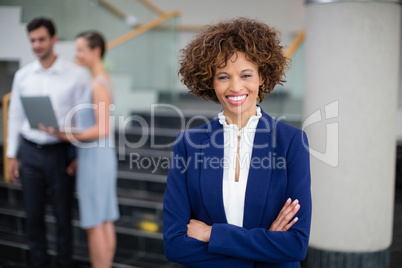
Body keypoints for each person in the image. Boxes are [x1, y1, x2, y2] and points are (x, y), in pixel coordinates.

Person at [163, 17, 312, 267]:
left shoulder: (292, 142)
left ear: (262, 76)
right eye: (223, 76)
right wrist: (265, 248)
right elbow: (175, 245)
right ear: (210, 81)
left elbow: (295, 245)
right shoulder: (189, 144)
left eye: (246, 74)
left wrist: (212, 234)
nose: (235, 87)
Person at [6, 17, 87, 267]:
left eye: (41, 39)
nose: (37, 45)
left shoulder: (76, 75)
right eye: (32, 41)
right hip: (30, 152)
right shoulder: (22, 76)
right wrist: (11, 155)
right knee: (33, 216)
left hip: (60, 152)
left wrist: (78, 155)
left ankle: (64, 263)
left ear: (53, 39)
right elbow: (15, 115)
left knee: (63, 216)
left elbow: (84, 118)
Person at [40, 30, 119, 268]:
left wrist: (62, 134)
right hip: (95, 156)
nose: (77, 54)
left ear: (96, 51)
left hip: (95, 158)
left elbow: (103, 129)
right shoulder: (100, 81)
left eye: (81, 49)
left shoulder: (98, 85)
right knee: (104, 220)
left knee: (96, 222)